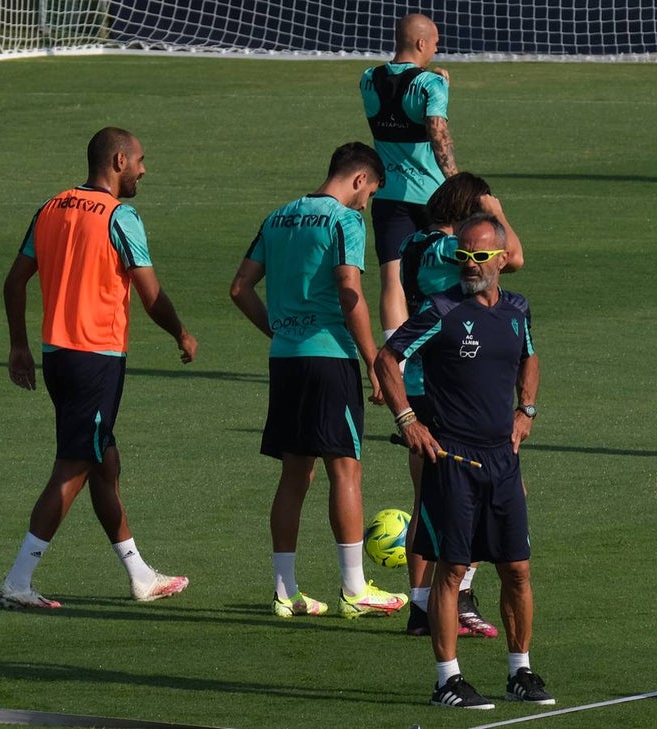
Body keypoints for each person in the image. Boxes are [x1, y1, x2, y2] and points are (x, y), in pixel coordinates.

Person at [0, 127, 198, 609]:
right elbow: (150, 294)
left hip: (58, 357)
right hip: (96, 360)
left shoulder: (51, 208)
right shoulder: (119, 217)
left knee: (103, 462)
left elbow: (14, 281)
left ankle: (139, 575)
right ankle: (18, 581)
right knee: (73, 467)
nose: (144, 170)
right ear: (118, 161)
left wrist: (19, 346)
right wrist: (181, 333)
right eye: (140, 160)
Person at [376, 214, 553, 709]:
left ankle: (520, 672)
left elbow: (529, 355)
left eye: (479, 256)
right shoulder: (441, 310)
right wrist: (408, 421)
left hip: (503, 460)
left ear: (502, 258)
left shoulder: (517, 309)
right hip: (453, 459)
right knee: (452, 570)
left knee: (517, 569)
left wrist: (526, 409)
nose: (469, 265)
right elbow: (386, 359)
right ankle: (447, 681)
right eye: (462, 256)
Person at [230, 142, 409, 619]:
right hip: (330, 359)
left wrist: (278, 330)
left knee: (295, 474)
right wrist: (373, 360)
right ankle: (354, 588)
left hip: (285, 360)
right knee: (345, 468)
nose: (366, 204)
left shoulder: (278, 217)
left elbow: (240, 288)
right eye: (370, 192)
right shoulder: (344, 220)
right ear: (359, 179)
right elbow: (350, 291)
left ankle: (285, 592)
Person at [396, 173, 524, 640]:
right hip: (448, 384)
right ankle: (459, 596)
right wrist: (498, 213)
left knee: (427, 501)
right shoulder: (452, 250)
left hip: (417, 378)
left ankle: (421, 606)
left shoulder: (412, 244)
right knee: (487, 495)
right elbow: (514, 258)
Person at [360, 13, 458, 345]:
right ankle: (444, 349)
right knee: (443, 271)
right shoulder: (431, 85)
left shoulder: (368, 80)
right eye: (435, 43)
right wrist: (456, 182)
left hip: (389, 197)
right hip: (433, 197)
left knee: (392, 279)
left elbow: (395, 102)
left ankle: (396, 359)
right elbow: (437, 133)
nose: (436, 49)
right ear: (420, 43)